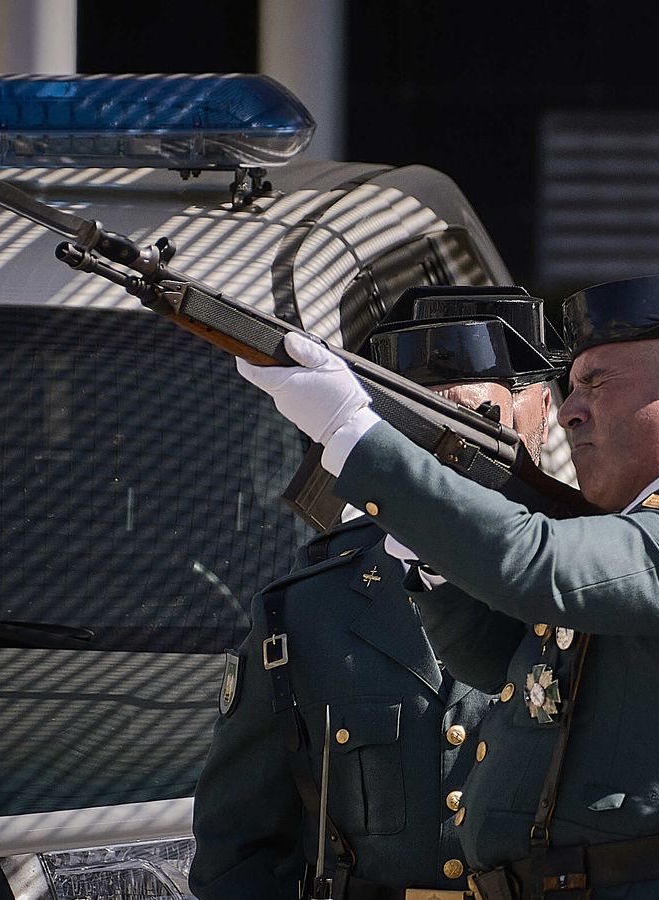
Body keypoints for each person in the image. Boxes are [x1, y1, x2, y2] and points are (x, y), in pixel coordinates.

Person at [235, 263, 659, 900]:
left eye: (594, 382)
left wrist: (352, 434)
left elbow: (533, 562)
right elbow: (499, 663)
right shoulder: (651, 530)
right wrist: (434, 556)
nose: (569, 413)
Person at [190, 288, 565, 899]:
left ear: (541, 414)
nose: (450, 456)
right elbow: (238, 851)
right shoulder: (306, 614)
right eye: (424, 429)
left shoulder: (588, 586)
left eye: (478, 420)